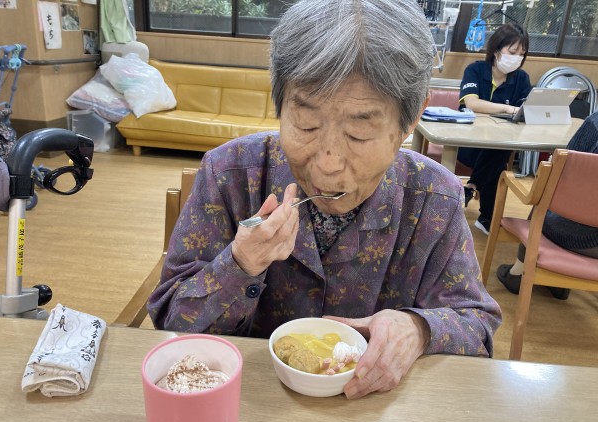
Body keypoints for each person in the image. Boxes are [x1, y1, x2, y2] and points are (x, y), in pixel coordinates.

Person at [148, 0, 502, 400]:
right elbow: (171, 324)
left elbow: (477, 326)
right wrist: (240, 264)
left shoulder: (434, 199)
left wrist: (418, 329)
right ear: (280, 103)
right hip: (249, 406)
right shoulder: (230, 174)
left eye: (358, 134)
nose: (328, 164)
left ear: (410, 119)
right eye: (306, 124)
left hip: (374, 413)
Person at [497, 111, 598, 300]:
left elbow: (563, 176)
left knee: (545, 196)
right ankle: (559, 285)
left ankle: (517, 274)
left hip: (580, 236)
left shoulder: (595, 122)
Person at [458, 23, 532, 235]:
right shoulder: (475, 70)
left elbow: (526, 110)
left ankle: (471, 187)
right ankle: (487, 217)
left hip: (498, 146)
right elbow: (472, 103)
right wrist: (508, 108)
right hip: (467, 144)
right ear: (497, 49)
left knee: (498, 149)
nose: (517, 58)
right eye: (513, 52)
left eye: (522, 54)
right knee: (498, 156)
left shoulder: (521, 79)